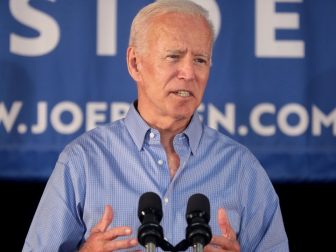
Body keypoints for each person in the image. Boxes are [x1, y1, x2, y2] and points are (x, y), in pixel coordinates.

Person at [23, 0, 289, 251]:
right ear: (135, 63)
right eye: (173, 56)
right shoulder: (83, 161)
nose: (189, 73)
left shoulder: (242, 169)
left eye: (200, 60)